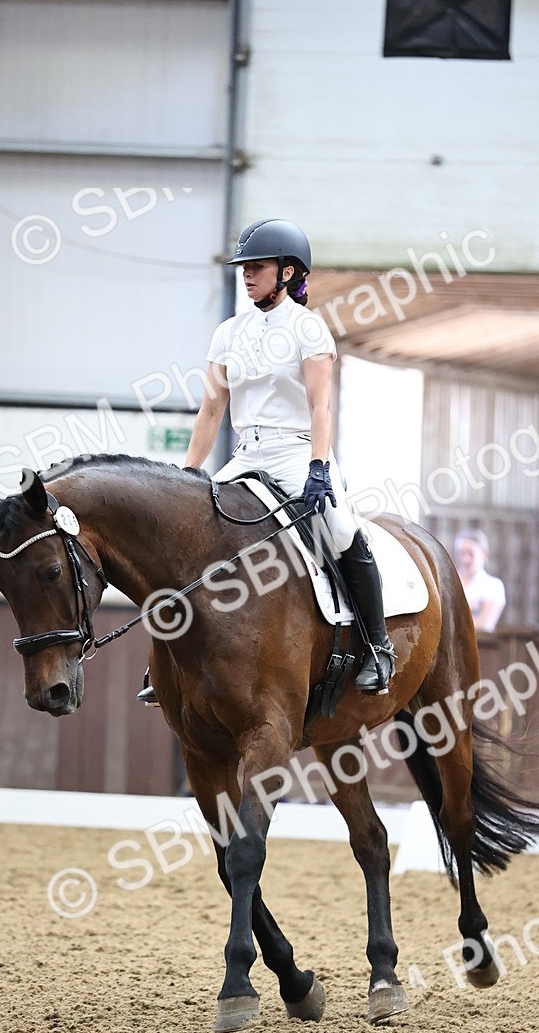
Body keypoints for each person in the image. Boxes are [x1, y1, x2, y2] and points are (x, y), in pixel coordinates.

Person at [137, 218, 395, 703]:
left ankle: (377, 646)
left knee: (340, 529)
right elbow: (211, 410)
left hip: (298, 452)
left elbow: (320, 406)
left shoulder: (308, 329)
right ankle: (165, 660)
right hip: (247, 455)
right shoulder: (228, 333)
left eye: (256, 267)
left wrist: (319, 467)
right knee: (186, 534)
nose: (247, 275)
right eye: (244, 268)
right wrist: (188, 475)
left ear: (287, 272)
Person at [454, 528, 506, 632]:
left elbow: (485, 624)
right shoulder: (446, 582)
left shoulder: (493, 585)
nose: (465, 559)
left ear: (484, 553)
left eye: (471, 553)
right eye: (461, 553)